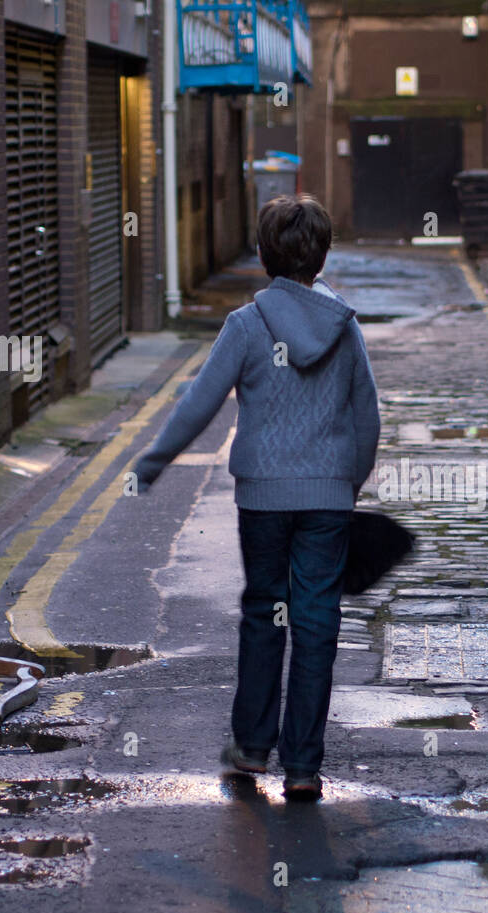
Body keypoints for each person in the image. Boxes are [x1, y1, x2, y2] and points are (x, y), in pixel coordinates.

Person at [132, 194, 380, 801]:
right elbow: (368, 417)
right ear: (319, 257)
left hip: (263, 502)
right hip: (328, 500)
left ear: (263, 254)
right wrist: (348, 482)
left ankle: (250, 748)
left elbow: (200, 402)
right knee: (317, 623)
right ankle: (303, 767)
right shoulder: (344, 328)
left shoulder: (246, 325)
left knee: (265, 614)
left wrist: (152, 463)